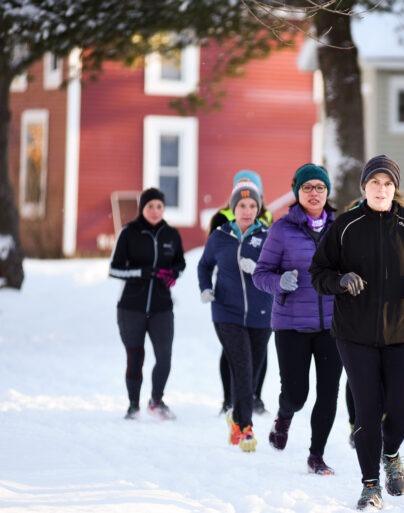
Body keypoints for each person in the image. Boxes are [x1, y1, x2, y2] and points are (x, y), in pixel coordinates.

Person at [309, 155, 404, 510]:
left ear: (395, 188)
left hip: (402, 331)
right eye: (375, 183)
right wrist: (340, 280)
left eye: (387, 183)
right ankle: (370, 487)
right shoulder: (346, 226)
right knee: (367, 412)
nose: (381, 189)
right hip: (355, 335)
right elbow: (318, 272)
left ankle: (392, 452)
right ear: (364, 186)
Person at [252, 163, 342, 475]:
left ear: (327, 191)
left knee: (329, 391)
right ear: (297, 192)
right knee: (297, 393)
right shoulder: (281, 230)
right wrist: (279, 282)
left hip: (333, 325)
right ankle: (284, 415)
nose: (314, 193)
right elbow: (260, 274)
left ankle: (316, 455)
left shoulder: (340, 228)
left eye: (320, 187)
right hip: (291, 324)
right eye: (307, 188)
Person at [198, 180, 272, 452]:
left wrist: (258, 269)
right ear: (233, 208)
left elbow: (279, 271)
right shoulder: (219, 236)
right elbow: (204, 265)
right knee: (242, 368)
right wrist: (205, 288)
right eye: (242, 205)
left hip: (262, 314)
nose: (248, 210)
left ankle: (236, 416)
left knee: (251, 374)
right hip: (226, 313)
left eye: (253, 205)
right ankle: (244, 427)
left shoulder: (267, 236)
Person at [109, 187, 186, 421]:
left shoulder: (171, 234)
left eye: (159, 206)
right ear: (142, 208)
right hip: (131, 307)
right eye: (150, 206)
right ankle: (133, 405)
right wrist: (143, 272)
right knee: (135, 356)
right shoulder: (129, 233)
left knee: (164, 356)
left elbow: (180, 264)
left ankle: (156, 400)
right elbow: (114, 269)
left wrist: (173, 273)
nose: (155, 211)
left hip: (162, 307)